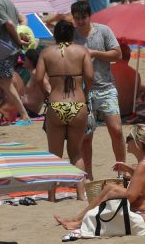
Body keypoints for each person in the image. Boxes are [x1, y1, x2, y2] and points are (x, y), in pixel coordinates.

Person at [54, 124, 145, 238]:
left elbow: (131, 196)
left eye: (129, 139)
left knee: (111, 191)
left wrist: (112, 193)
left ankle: (78, 221)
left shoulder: (143, 165)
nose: (126, 142)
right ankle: (77, 219)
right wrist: (127, 169)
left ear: (139, 143)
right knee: (111, 188)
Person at [34, 20, 93, 201]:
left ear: (55, 35)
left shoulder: (46, 52)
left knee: (54, 154)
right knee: (75, 152)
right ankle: (81, 194)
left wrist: (47, 93)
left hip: (56, 104)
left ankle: (52, 196)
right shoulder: (82, 51)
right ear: (72, 34)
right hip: (78, 104)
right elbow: (90, 76)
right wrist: (86, 92)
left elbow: (38, 78)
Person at [71, 1, 125, 178]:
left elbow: (118, 54)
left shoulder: (103, 31)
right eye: (77, 18)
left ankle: (122, 171)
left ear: (89, 16)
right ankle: (89, 174)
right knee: (86, 136)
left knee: (116, 130)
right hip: (83, 91)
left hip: (106, 87)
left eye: (83, 18)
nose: (80, 22)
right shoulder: (71, 35)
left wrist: (94, 53)